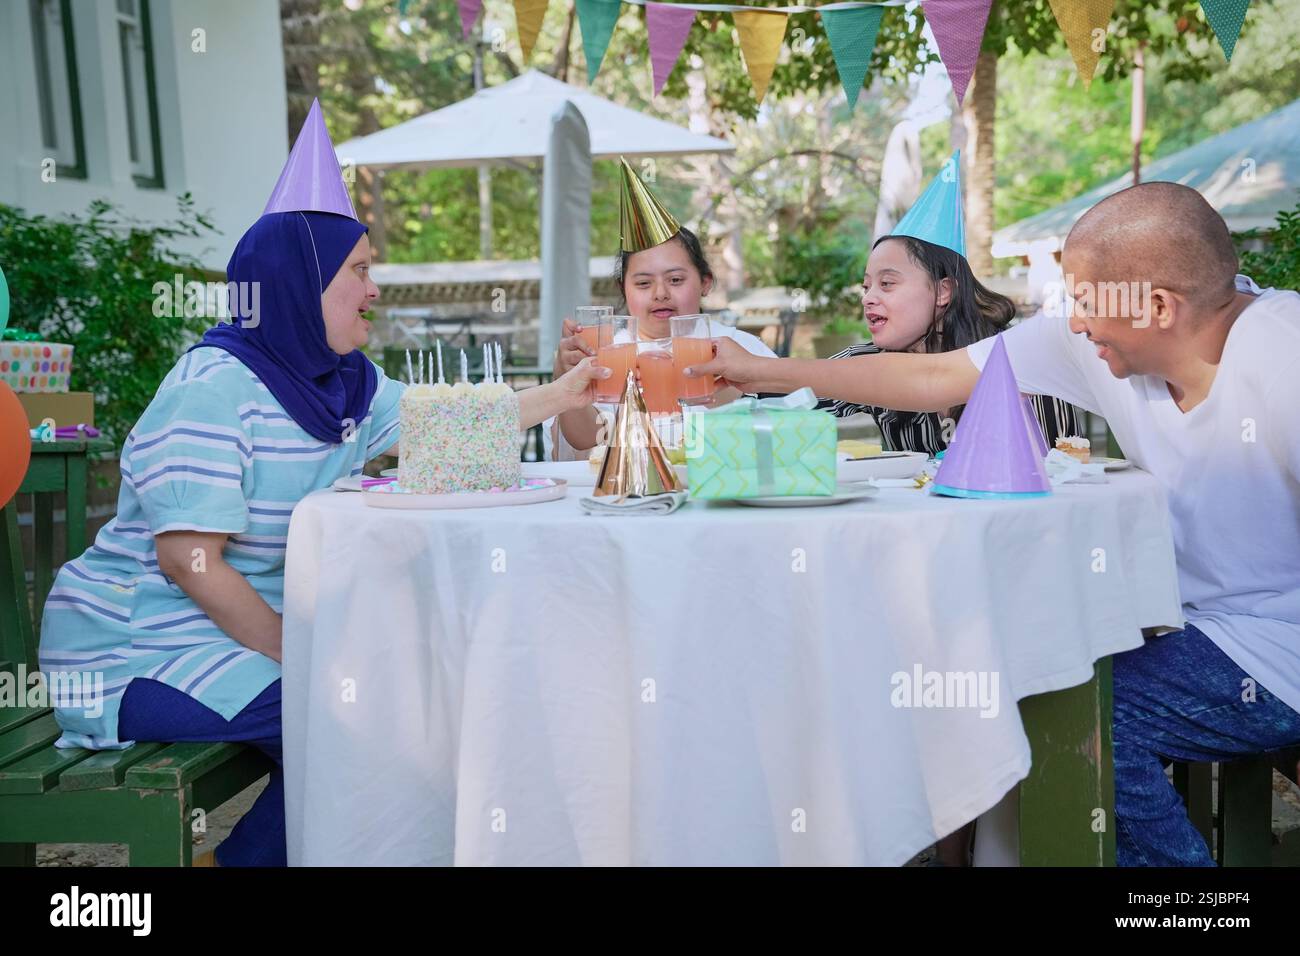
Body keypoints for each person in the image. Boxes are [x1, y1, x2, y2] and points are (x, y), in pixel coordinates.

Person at [37, 109, 604, 867]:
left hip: (234, 639)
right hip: (134, 648)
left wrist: (572, 388)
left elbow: (457, 422)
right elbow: (187, 562)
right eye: (359, 271)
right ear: (302, 286)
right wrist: (302, 653)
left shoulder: (344, 385)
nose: (375, 289)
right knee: (353, 728)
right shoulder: (211, 389)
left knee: (399, 716)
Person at [688, 181, 1300, 866]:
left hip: (1275, 653)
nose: (1073, 323)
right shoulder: (1100, 345)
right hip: (1184, 626)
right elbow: (930, 379)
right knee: (1007, 663)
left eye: (1086, 303)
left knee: (1073, 706)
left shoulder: (1283, 354)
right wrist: (758, 371)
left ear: (1157, 306)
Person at [820, 152, 1082, 454]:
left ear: (944, 291)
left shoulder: (1016, 358)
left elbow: (1066, 462)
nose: (868, 298)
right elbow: (785, 398)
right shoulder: (867, 362)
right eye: (866, 286)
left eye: (887, 284)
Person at [545, 158, 776, 461]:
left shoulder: (740, 349)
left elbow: (786, 425)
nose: (661, 294)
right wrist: (566, 374)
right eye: (643, 283)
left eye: (676, 280)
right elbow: (584, 442)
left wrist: (732, 390)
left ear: (705, 282)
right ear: (623, 289)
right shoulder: (603, 353)